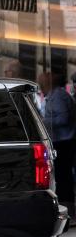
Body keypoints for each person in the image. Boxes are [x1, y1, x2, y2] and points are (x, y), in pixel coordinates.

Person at [43, 74, 76, 215]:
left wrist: (44, 122)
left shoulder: (58, 97)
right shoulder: (54, 95)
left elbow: (63, 118)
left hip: (64, 142)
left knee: (64, 176)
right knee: (62, 176)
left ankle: (67, 207)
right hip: (60, 141)